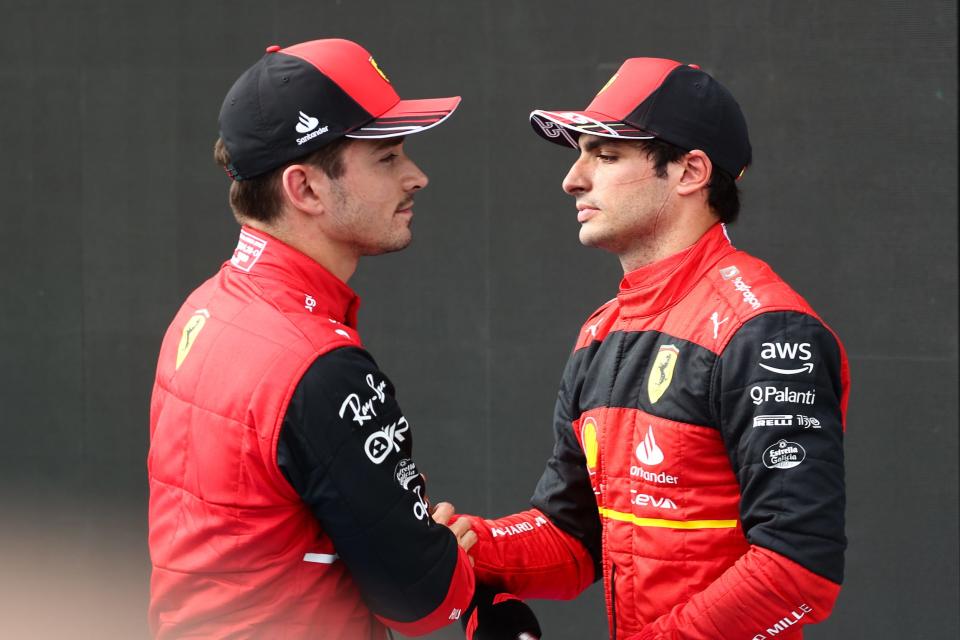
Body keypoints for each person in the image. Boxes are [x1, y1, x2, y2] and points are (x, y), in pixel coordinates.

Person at [458, 58, 849, 639]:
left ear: (690, 170)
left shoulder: (766, 331)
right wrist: (466, 548)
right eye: (579, 153)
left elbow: (798, 570)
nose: (573, 179)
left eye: (606, 155)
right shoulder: (604, 331)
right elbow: (574, 538)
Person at [147, 38, 481, 639]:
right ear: (303, 189)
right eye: (386, 157)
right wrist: (445, 554)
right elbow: (425, 602)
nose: (417, 176)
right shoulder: (318, 366)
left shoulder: (202, 309)